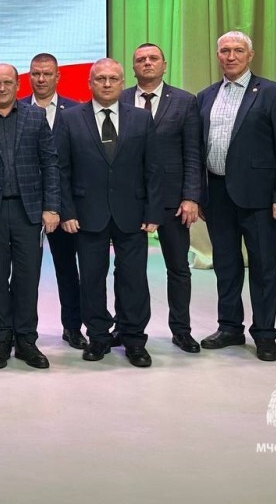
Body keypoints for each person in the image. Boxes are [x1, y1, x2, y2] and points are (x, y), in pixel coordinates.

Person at [197, 31, 276, 361]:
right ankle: (230, 327)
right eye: (224, 50)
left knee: (263, 268)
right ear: (217, 55)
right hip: (217, 195)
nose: (231, 56)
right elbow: (198, 148)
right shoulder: (206, 96)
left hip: (260, 198)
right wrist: (198, 194)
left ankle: (265, 334)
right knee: (226, 266)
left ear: (250, 55)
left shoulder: (272, 93)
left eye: (238, 50)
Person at [56, 58, 161, 368]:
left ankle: (134, 339)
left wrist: (153, 211)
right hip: (86, 214)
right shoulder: (70, 118)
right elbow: (61, 169)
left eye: (113, 78)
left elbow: (153, 168)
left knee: (133, 279)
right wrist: (67, 211)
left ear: (122, 83)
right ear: (90, 83)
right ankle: (98, 337)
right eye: (100, 78)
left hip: (133, 214)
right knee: (91, 279)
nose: (106, 83)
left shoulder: (141, 118)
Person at [0, 64, 60, 369]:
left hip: (28, 212)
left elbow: (50, 163)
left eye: (7, 82)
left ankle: (26, 341)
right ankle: (2, 340)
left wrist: (52, 207)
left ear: (18, 85)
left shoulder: (36, 117)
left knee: (28, 278)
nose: (2, 88)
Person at [119, 43, 203, 353]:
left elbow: (193, 153)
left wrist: (191, 196)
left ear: (164, 65)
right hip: (130, 200)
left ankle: (181, 330)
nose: (147, 63)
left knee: (178, 268)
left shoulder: (184, 101)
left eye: (153, 58)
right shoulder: (120, 99)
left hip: (172, 200)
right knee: (127, 269)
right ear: (133, 67)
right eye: (140, 59)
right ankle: (125, 327)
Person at [22, 53, 85, 350]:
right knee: (24, 273)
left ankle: (72, 327)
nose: (41, 79)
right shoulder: (16, 108)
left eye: (47, 73)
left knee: (67, 269)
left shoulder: (76, 111)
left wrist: (65, 208)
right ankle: (22, 331)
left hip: (63, 205)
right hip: (23, 205)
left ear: (58, 76)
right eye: (36, 73)